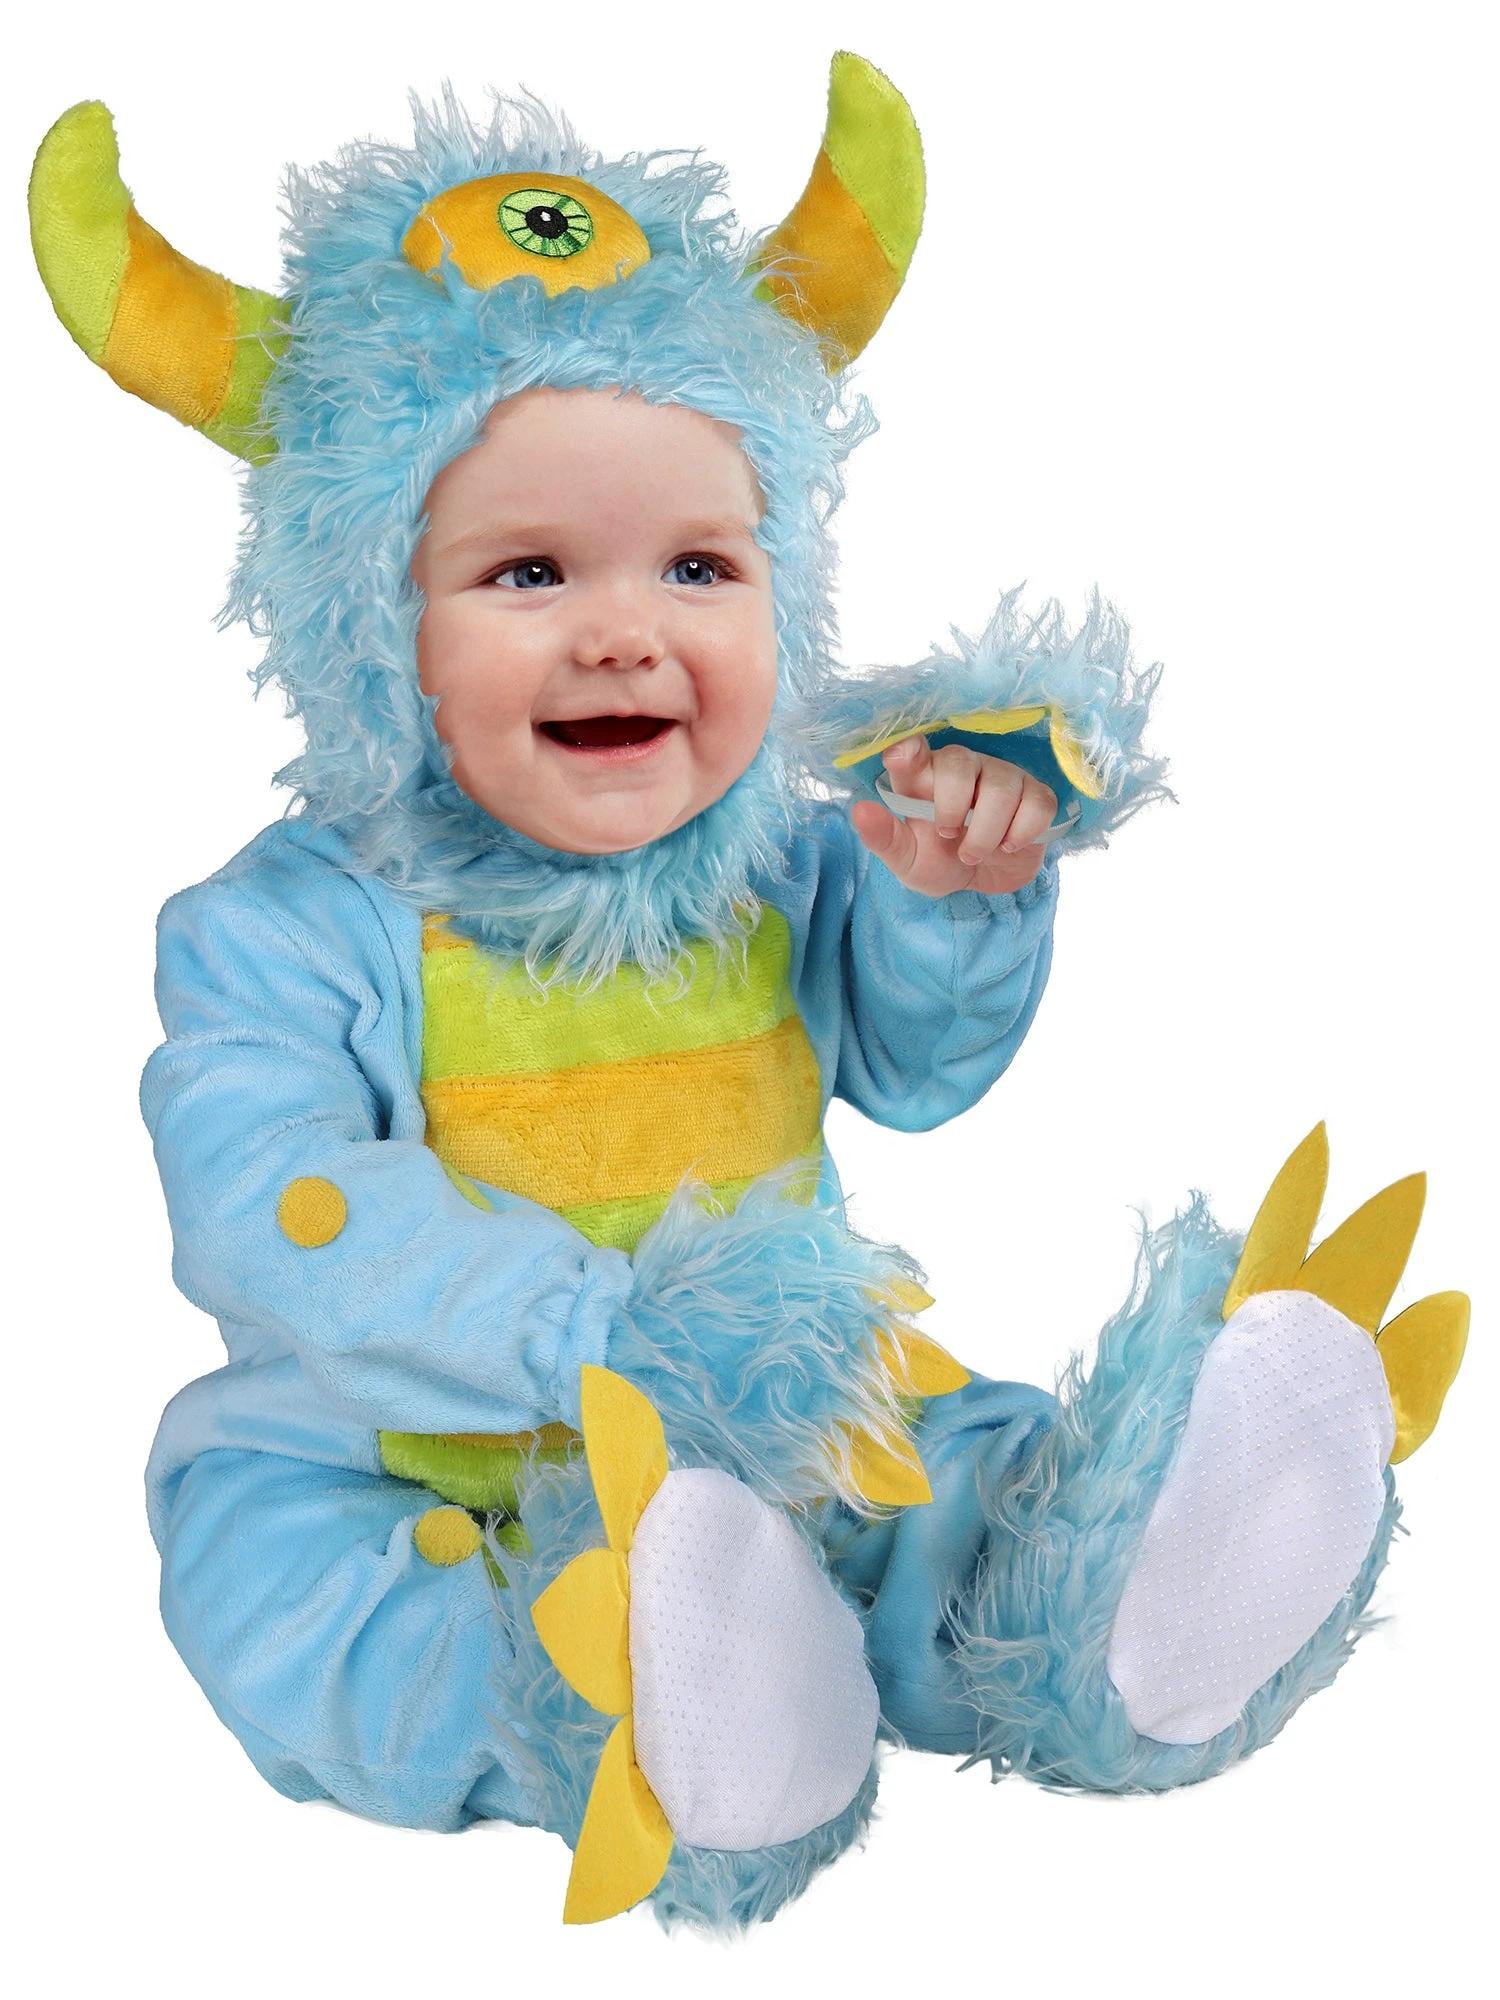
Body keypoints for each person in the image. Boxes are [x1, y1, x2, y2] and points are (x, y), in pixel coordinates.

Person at [28, 54, 1465, 1931]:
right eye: (527, 571)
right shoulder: (285, 928)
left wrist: (947, 897)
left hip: (785, 1431)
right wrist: (606, 1341)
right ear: (372, 628)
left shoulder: (777, 859)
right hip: (421, 1471)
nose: (626, 631)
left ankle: (1097, 1603)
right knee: (292, 1599)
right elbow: (271, 1200)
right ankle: (629, 1687)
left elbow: (915, 1067)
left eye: (699, 563)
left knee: (942, 1464)